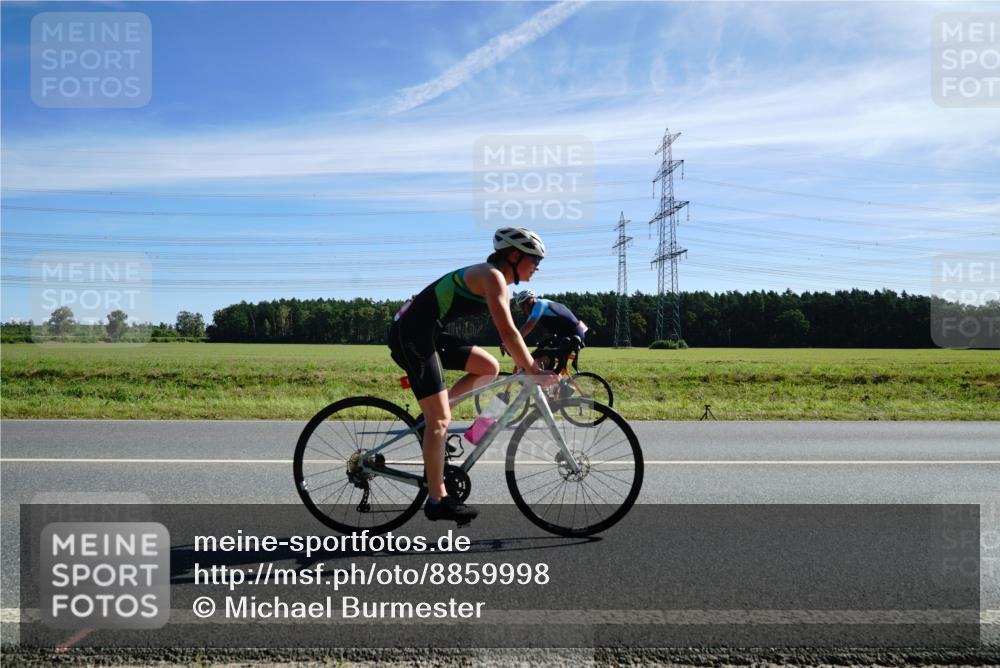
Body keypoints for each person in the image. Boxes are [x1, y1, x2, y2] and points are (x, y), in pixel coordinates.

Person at [388, 227, 556, 524]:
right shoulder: (493, 276)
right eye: (535, 260)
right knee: (440, 420)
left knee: (488, 367)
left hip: (428, 332)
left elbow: (509, 335)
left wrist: (526, 363)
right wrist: (531, 367)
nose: (538, 267)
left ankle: (429, 420)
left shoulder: (494, 277)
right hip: (411, 334)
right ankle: (437, 500)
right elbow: (508, 332)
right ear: (514, 256)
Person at [507, 290, 588, 374]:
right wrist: (510, 340)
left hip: (573, 336)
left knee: (542, 359)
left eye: (526, 303)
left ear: (532, 299)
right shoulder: (537, 307)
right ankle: (551, 380)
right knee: (538, 356)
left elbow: (528, 328)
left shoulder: (540, 305)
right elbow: (523, 329)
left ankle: (555, 381)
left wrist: (511, 342)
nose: (525, 308)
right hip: (563, 336)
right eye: (521, 306)